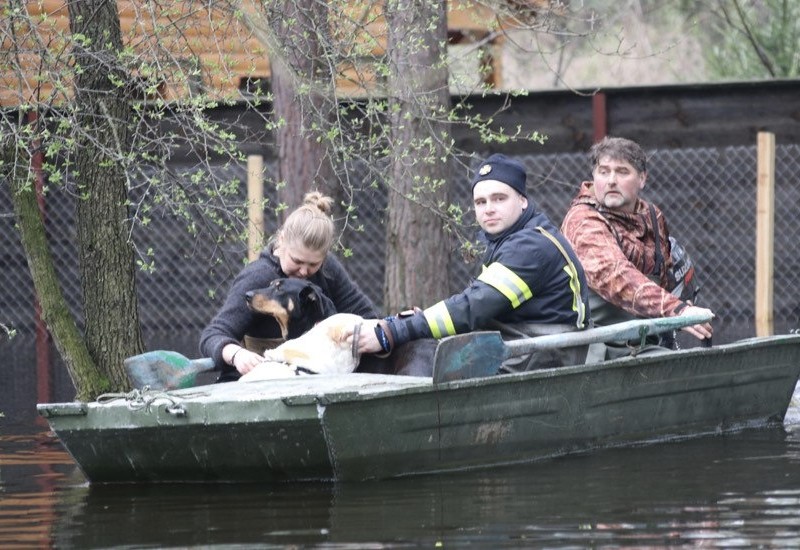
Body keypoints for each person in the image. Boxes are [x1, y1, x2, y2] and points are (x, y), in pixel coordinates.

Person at [350, 153, 590, 373]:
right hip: (525, 348)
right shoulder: (513, 239)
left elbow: (473, 307)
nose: (489, 209)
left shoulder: (530, 248)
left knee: (426, 360)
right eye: (481, 202)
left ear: (523, 201)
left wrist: (392, 331)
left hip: (541, 359)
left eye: (499, 199)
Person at [200, 191, 378, 382]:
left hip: (316, 379)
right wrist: (237, 355)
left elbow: (367, 317)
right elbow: (213, 335)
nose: (303, 271)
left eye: (313, 265)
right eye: (297, 261)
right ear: (282, 240)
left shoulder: (328, 270)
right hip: (253, 383)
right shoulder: (259, 277)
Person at [560, 136, 713, 358]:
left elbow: (662, 273)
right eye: (604, 172)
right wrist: (676, 310)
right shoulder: (584, 221)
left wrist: (685, 310)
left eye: (622, 172)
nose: (611, 180)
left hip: (646, 341)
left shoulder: (652, 215)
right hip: (598, 348)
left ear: (642, 179)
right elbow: (616, 277)